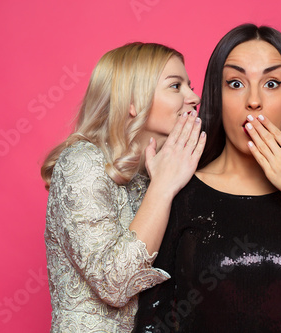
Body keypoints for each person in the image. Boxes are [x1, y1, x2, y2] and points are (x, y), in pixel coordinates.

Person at [134, 24, 281, 332]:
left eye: (272, 83)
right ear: (216, 94)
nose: (254, 101)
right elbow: (151, 320)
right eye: (236, 83)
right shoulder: (179, 187)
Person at [41, 42, 206, 332]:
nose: (194, 97)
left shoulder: (153, 172)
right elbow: (115, 285)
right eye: (175, 86)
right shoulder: (83, 162)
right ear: (133, 101)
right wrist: (164, 187)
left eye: (189, 86)